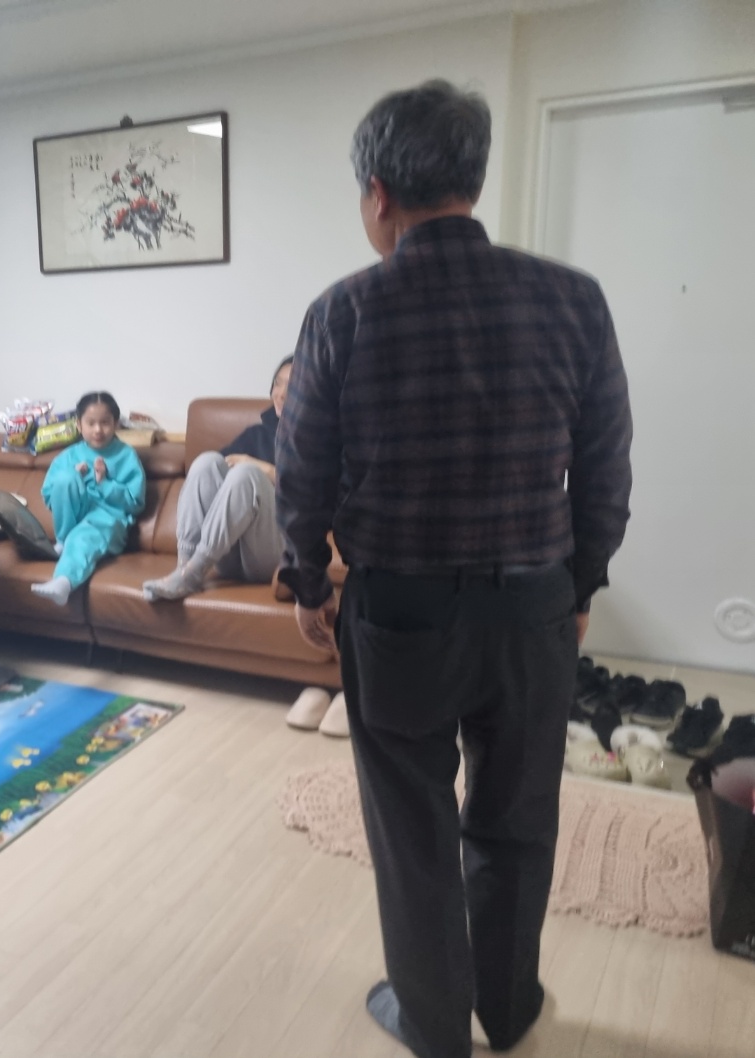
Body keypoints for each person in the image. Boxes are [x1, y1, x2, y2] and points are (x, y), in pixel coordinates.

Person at [275, 80, 632, 1058]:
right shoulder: (573, 299)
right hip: (531, 606)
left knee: (412, 824)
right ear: (470, 181)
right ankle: (507, 1008)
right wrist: (581, 583)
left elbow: (301, 471)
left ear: (377, 193)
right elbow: (604, 465)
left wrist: (306, 580)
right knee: (517, 817)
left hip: (397, 614)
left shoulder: (341, 311)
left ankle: (433, 1024)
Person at [142, 356, 293, 600]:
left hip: (276, 556)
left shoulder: (323, 441)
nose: (281, 393)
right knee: (207, 462)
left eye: (292, 386)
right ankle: (186, 568)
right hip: (225, 556)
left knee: (246, 473)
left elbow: (322, 500)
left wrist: (264, 470)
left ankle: (192, 572)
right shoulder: (257, 434)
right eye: (278, 383)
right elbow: (212, 480)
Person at [31, 391, 146, 606]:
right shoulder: (68, 455)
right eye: (91, 423)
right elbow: (49, 496)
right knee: (65, 478)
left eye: (105, 423)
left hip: (108, 520)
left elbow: (136, 503)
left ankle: (63, 583)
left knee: (83, 536)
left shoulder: (126, 455)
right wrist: (75, 476)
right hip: (73, 520)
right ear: (78, 425)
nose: (98, 430)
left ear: (116, 424)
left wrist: (104, 483)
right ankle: (64, 540)